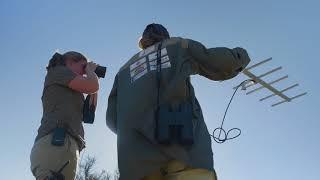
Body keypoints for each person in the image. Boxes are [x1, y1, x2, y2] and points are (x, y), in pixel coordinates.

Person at [106, 23, 251, 180]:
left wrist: (137, 133)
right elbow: (213, 61)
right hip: (182, 147)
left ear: (143, 41)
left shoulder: (123, 71)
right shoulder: (176, 46)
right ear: (165, 36)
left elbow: (112, 119)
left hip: (136, 162)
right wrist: (240, 56)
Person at [30, 51, 100, 180]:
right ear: (70, 62)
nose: (84, 72)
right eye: (83, 67)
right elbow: (92, 85)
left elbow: (88, 117)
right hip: (56, 143)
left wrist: (93, 76)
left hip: (63, 146)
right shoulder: (58, 72)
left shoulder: (70, 89)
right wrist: (91, 72)